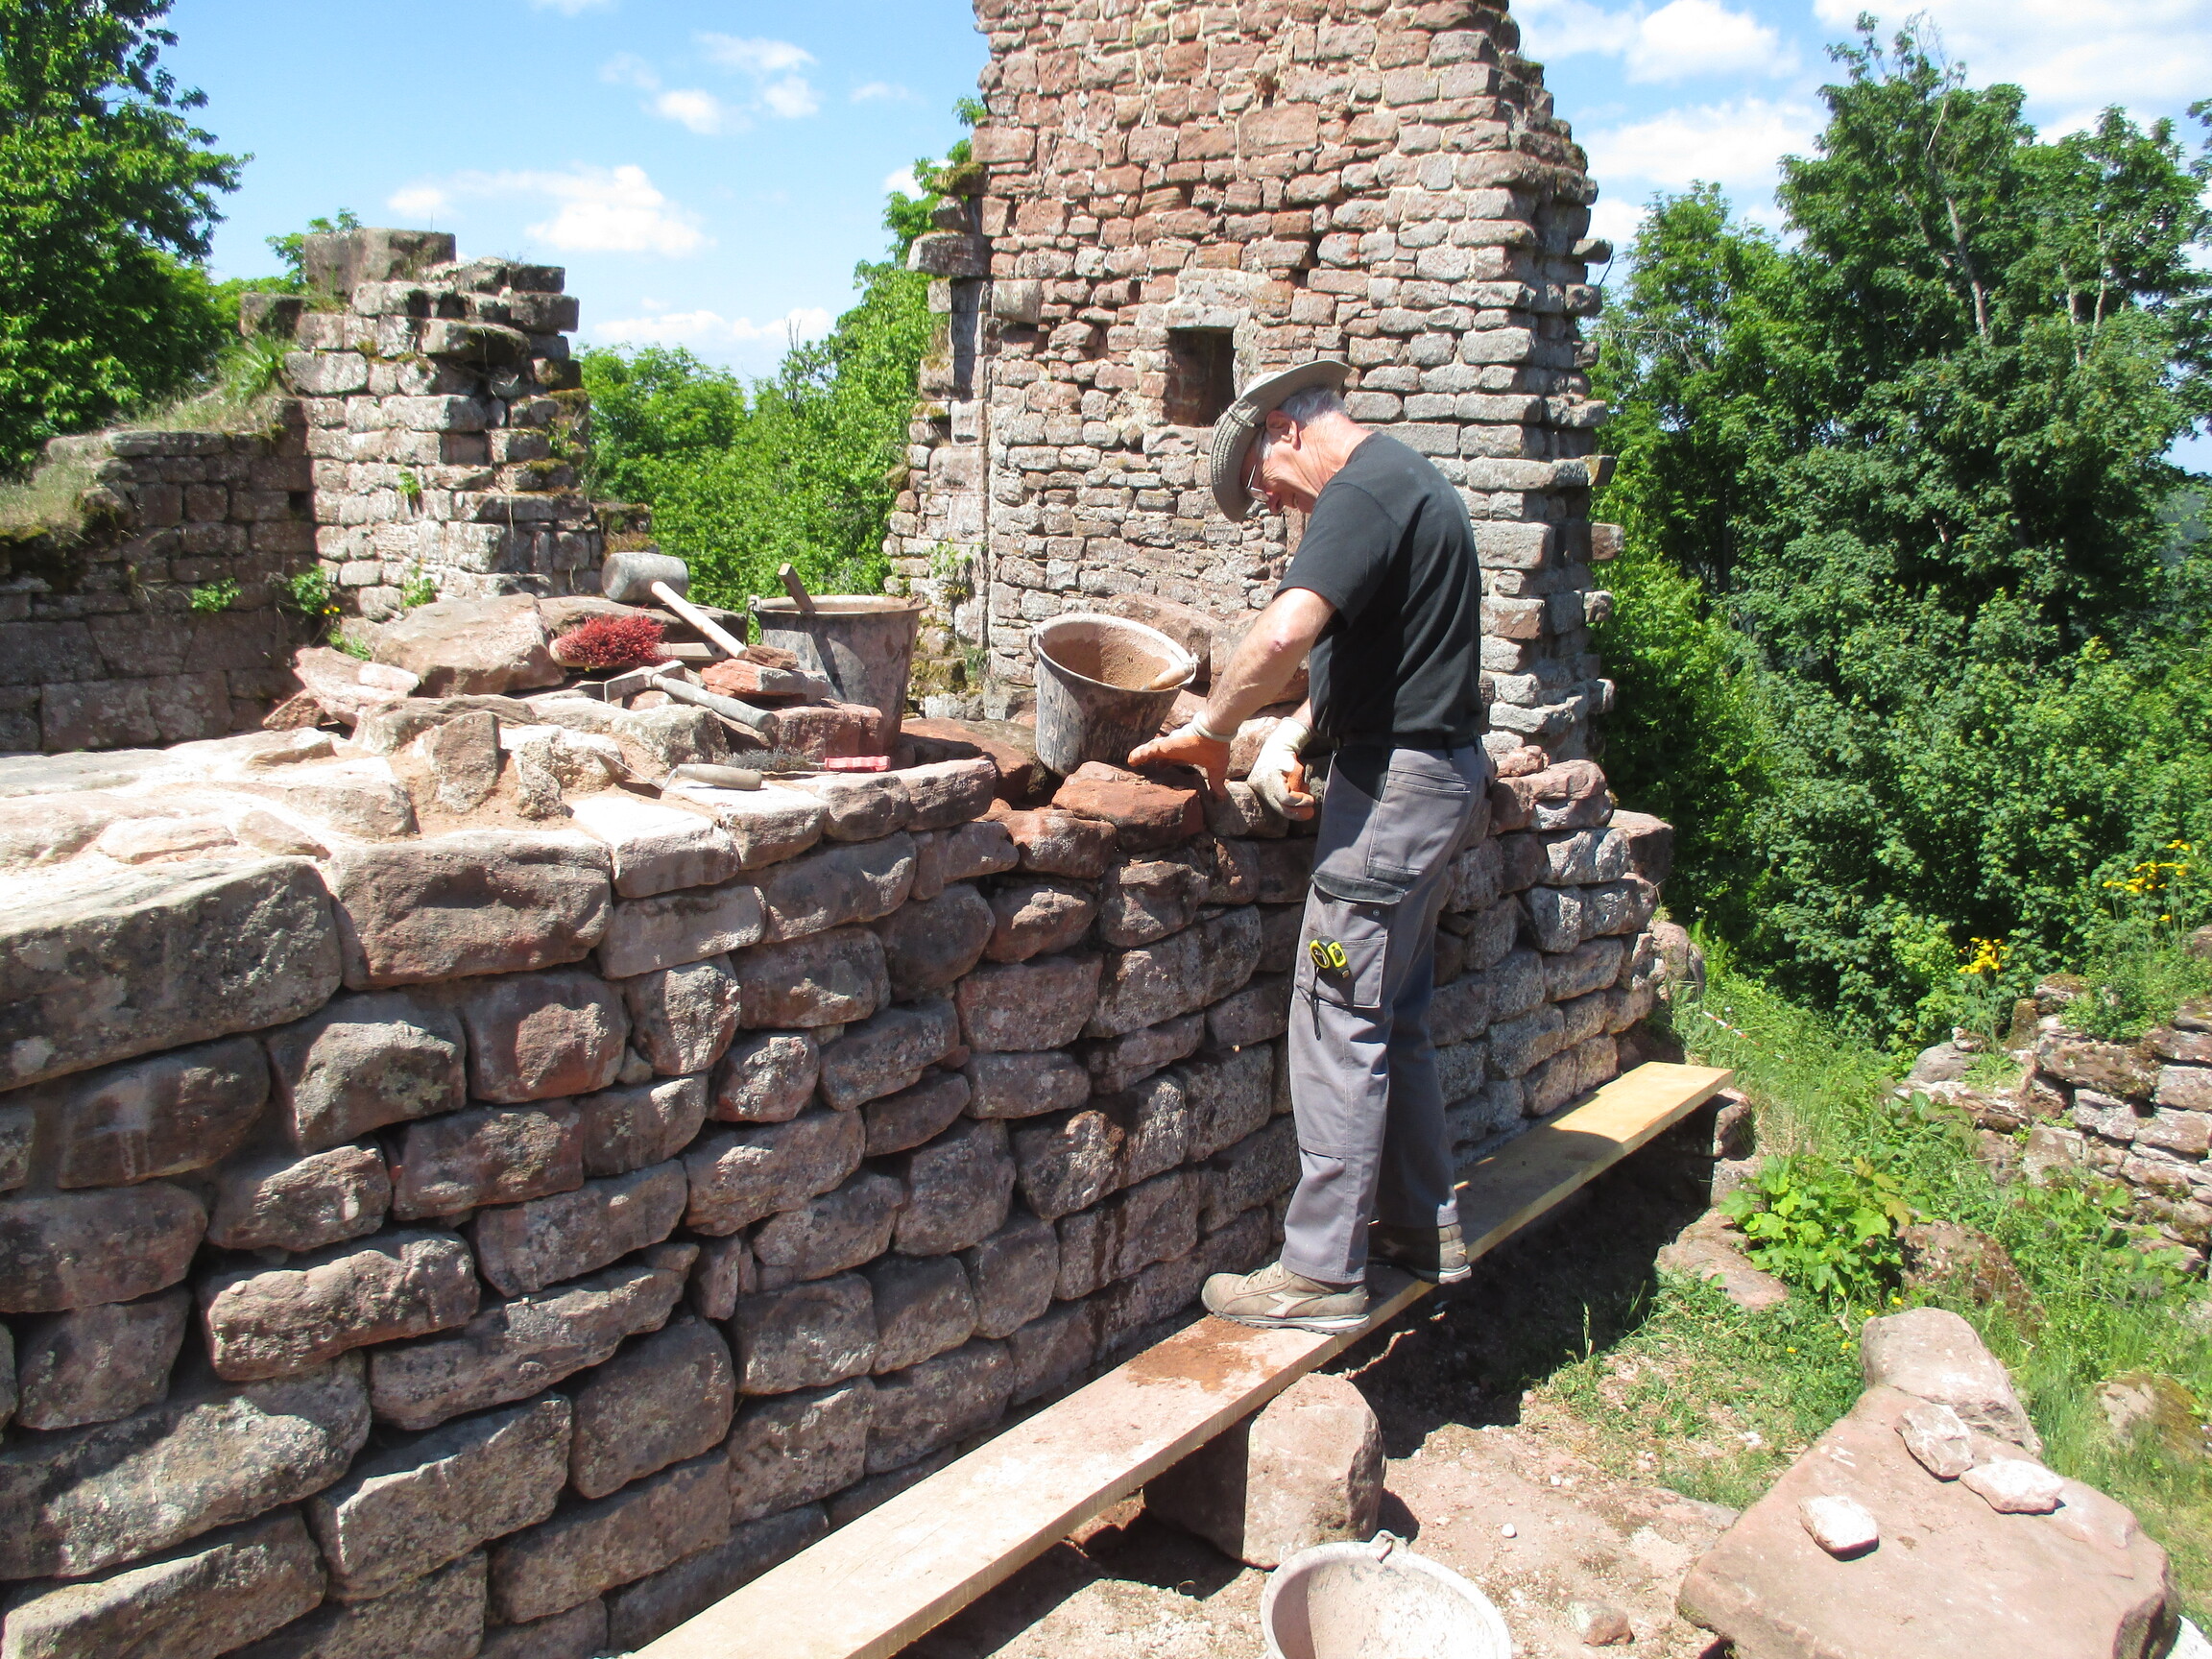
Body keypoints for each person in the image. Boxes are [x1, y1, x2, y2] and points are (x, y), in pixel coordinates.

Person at [1128, 358, 1488, 1333]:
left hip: (1395, 797)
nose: (1269, 502)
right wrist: (1295, 733)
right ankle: (1421, 1226)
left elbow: (1289, 631)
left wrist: (1212, 726)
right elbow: (1389, 658)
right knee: (1391, 1011)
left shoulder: (1359, 491)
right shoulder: (1407, 482)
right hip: (1435, 778)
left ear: (1285, 428)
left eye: (1260, 479)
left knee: (1335, 1015)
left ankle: (1322, 1274)